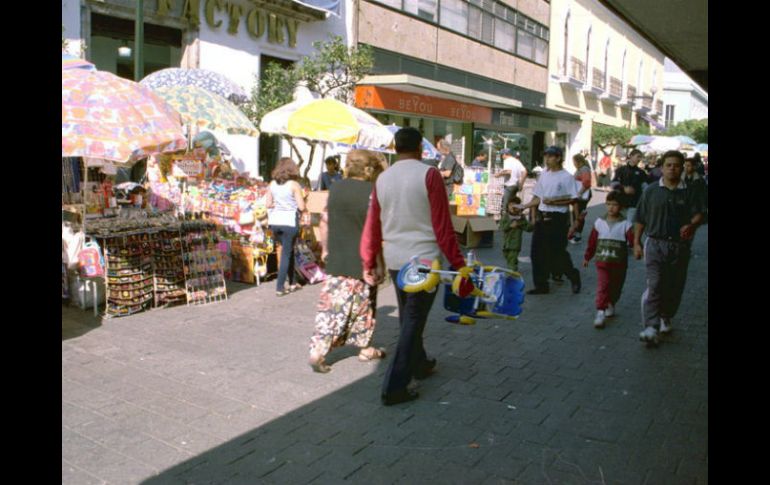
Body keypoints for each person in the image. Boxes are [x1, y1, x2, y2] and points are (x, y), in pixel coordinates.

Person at [360, 127, 466, 406]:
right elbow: (443, 226)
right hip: (424, 259)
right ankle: (395, 386)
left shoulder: (383, 179)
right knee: (413, 319)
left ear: (395, 148)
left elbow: (373, 224)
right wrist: (459, 263)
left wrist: (369, 259)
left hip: (396, 258)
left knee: (410, 314)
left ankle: (420, 364)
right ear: (420, 147)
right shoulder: (428, 175)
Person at [308, 150, 388, 373]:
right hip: (363, 261)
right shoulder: (372, 193)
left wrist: (325, 249)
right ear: (369, 169)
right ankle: (363, 347)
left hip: (337, 257)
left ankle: (321, 350)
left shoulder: (336, 188)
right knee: (366, 305)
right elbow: (374, 232)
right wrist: (379, 262)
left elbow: (325, 222)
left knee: (330, 306)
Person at [633, 150, 707, 346]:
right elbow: (640, 219)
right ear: (661, 168)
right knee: (655, 284)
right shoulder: (650, 191)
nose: (672, 169)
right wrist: (636, 243)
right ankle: (650, 325)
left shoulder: (690, 191)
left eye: (676, 165)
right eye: (668, 165)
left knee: (675, 286)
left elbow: (700, 214)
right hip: (655, 244)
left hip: (680, 246)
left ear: (682, 168)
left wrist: (691, 225)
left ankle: (666, 315)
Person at [517, 145, 582, 295]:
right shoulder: (544, 175)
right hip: (542, 217)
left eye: (550, 156)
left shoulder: (566, 177)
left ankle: (573, 276)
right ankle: (541, 285)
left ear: (558, 158)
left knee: (557, 253)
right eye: (546, 156)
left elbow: (573, 199)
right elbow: (538, 197)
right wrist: (524, 206)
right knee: (536, 253)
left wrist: (575, 222)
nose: (547, 159)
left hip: (558, 219)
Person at [582, 191, 634, 329]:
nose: (611, 207)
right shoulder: (599, 222)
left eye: (615, 205)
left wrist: (638, 249)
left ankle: (611, 302)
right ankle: (600, 311)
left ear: (621, 207)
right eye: (608, 204)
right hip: (602, 261)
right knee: (603, 285)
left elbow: (633, 241)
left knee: (616, 286)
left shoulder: (626, 224)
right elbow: (592, 241)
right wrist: (588, 256)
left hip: (619, 263)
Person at [266, 157, 306, 297]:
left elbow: (268, 204)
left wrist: (278, 204)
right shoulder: (294, 185)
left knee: (288, 252)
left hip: (275, 222)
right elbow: (301, 206)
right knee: (286, 254)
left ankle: (293, 282)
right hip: (289, 221)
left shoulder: (271, 184)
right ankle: (280, 286)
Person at [611, 149, 647, 222]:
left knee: (629, 226)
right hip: (621, 202)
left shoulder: (642, 172)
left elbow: (645, 188)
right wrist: (623, 188)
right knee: (619, 224)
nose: (639, 159)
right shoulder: (621, 170)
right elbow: (613, 184)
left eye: (640, 157)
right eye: (638, 156)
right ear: (631, 156)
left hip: (634, 203)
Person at [499, 197, 533, 272]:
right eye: (510, 205)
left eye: (515, 205)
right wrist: (510, 226)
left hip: (515, 244)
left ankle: (512, 273)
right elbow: (501, 228)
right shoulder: (505, 216)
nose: (512, 207)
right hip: (506, 243)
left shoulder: (521, 217)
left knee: (511, 259)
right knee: (508, 257)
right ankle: (514, 265)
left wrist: (521, 222)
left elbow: (528, 228)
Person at [568, 153, 593, 244]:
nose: (573, 163)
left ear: (578, 161)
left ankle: (578, 234)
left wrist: (579, 193)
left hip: (582, 196)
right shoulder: (580, 169)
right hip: (580, 195)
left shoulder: (584, 169)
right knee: (576, 214)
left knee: (578, 215)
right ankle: (574, 232)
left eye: (574, 162)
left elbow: (586, 182)